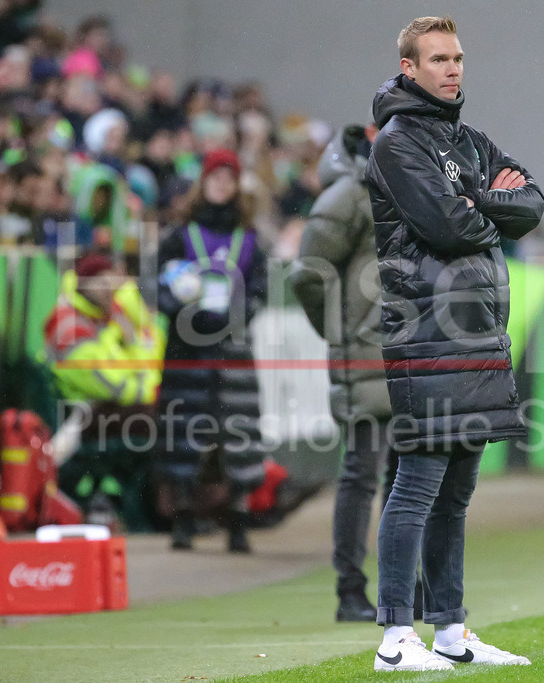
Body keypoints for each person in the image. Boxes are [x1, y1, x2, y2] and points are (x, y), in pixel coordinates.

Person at [364, 15, 544, 671]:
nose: (453, 69)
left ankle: (449, 630)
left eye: (458, 57)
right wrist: (482, 201)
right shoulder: (396, 142)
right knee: (417, 486)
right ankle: (393, 638)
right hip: (425, 331)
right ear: (408, 68)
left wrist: (478, 202)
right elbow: (445, 224)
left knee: (456, 492)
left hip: (475, 331)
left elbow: (532, 203)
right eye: (438, 58)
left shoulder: (468, 140)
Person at [289, 123, 400, 622]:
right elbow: (308, 277)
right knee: (365, 473)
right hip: (367, 356)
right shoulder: (349, 196)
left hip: (409, 354)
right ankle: (351, 591)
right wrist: (343, 332)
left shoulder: (389, 189)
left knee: (402, 477)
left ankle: (395, 591)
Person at [156, 148, 268, 553]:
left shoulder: (250, 239)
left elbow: (260, 290)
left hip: (233, 349)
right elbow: (157, 286)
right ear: (202, 183)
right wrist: (182, 311)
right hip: (187, 348)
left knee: (237, 435)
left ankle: (237, 520)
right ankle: (182, 518)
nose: (221, 184)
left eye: (228, 178)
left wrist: (237, 318)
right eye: (215, 177)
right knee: (182, 433)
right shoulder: (179, 235)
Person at [43, 250, 166, 528]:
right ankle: (150, 512)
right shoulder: (69, 323)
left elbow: (140, 364)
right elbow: (107, 383)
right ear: (83, 284)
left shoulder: (108, 318)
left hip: (108, 410)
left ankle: (158, 509)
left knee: (172, 419)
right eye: (101, 282)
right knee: (164, 420)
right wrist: (144, 391)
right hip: (82, 414)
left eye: (112, 282)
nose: (109, 289)